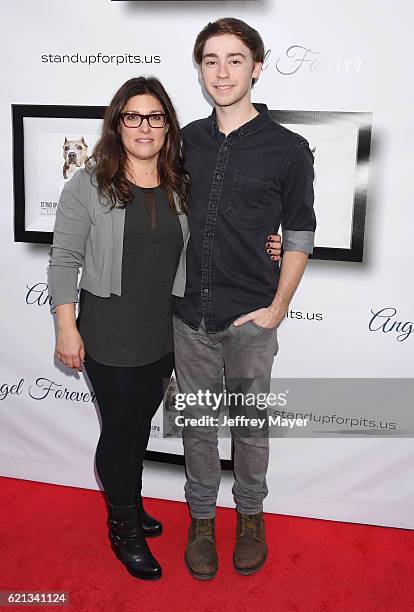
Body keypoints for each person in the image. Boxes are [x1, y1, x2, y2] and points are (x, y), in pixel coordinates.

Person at [48, 76, 281, 581]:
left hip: (166, 333)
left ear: (167, 126)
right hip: (110, 334)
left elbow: (223, 229)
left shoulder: (180, 182)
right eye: (133, 116)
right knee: (123, 431)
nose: (144, 126)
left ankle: (128, 505)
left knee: (136, 431)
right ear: (117, 124)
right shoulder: (88, 184)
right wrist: (67, 329)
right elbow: (64, 260)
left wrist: (273, 243)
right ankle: (124, 527)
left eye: (155, 117)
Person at [173, 18, 316, 580]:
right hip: (188, 317)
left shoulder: (289, 148)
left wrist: (278, 308)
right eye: (211, 60)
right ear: (200, 70)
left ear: (257, 67)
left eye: (235, 60)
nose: (222, 72)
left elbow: (301, 232)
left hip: (252, 317)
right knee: (199, 426)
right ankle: (202, 520)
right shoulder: (185, 140)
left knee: (251, 429)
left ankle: (251, 516)